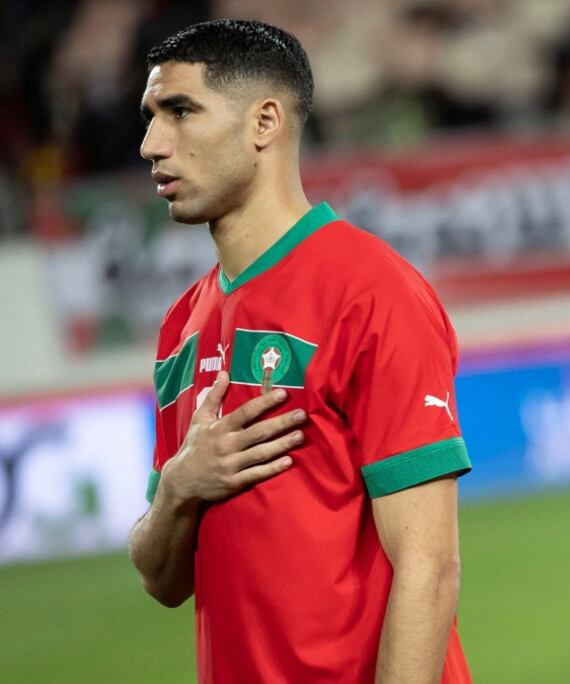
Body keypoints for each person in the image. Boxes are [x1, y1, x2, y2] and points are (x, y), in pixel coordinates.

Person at [126, 20, 472, 683]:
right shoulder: (181, 326)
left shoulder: (370, 291)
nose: (151, 144)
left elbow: (429, 567)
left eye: (179, 112)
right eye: (149, 117)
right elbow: (163, 581)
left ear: (264, 123)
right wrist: (178, 488)